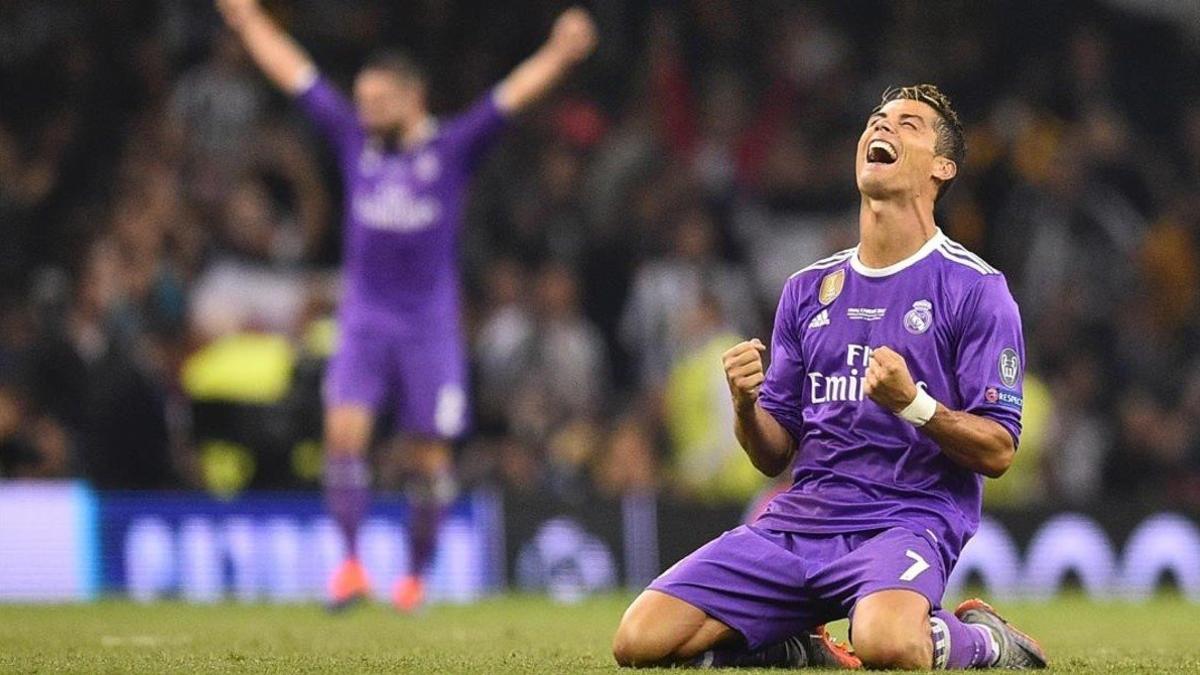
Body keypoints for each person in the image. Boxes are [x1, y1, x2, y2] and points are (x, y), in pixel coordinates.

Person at [612, 84, 1048, 670]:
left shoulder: (975, 289)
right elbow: (773, 456)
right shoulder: (807, 290)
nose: (883, 129)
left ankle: (986, 641)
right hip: (801, 521)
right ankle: (794, 647)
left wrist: (915, 405)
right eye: (877, 120)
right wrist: (746, 405)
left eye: (908, 124)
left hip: (906, 520)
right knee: (639, 642)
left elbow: (998, 450)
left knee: (888, 646)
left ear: (942, 168)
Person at [216, 0, 597, 611]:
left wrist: (558, 52)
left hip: (429, 327)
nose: (363, 112)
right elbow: (295, 72)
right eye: (360, 102)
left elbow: (511, 96)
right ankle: (349, 568)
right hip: (365, 319)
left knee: (428, 461)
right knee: (342, 437)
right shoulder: (352, 140)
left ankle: (415, 578)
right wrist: (248, 20)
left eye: (376, 102)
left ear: (409, 97)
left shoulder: (452, 147)